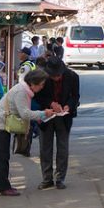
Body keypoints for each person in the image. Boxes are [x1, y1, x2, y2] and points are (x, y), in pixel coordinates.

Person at [0, 69, 59, 196]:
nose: (42, 87)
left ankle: (0, 184)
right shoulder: (21, 92)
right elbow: (25, 113)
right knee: (2, 157)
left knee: (2, 156)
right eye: (41, 84)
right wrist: (43, 114)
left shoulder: (23, 90)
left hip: (0, 123)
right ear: (33, 83)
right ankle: (3, 187)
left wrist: (41, 115)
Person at [34, 56, 80, 190]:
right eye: (53, 76)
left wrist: (68, 106)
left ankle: (60, 178)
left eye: (58, 75)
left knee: (63, 148)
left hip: (64, 117)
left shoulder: (72, 76)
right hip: (46, 115)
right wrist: (50, 103)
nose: (56, 78)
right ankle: (47, 178)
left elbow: (75, 96)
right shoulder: (41, 76)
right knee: (45, 148)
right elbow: (37, 95)